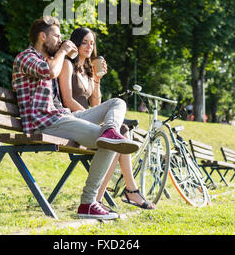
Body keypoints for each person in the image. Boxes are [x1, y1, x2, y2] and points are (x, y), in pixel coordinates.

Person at [12, 16, 140, 220]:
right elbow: (51, 72)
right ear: (42, 36)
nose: (61, 40)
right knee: (111, 143)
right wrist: (63, 52)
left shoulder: (48, 59)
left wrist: (95, 79)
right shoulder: (26, 57)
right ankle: (89, 203)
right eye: (57, 36)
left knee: (117, 103)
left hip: (60, 117)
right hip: (45, 123)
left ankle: (110, 130)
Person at [58, 26, 156, 211]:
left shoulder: (87, 71)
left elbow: (95, 103)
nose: (88, 47)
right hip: (73, 120)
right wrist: (92, 120)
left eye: (92, 43)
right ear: (76, 43)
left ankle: (106, 196)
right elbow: (67, 99)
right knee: (118, 133)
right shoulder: (67, 64)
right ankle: (125, 191)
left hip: (86, 117)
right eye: (84, 42)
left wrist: (97, 79)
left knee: (120, 133)